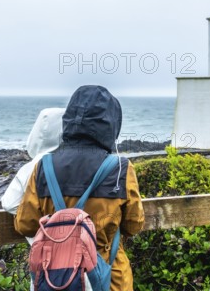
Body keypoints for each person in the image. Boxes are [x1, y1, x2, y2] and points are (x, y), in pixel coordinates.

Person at [14, 85, 145, 291]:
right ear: (112, 124)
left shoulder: (44, 167)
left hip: (57, 280)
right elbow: (134, 224)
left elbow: (25, 225)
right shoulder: (121, 169)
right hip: (110, 279)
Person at [1, 107, 66, 244]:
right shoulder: (76, 162)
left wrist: (41, 216)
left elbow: (9, 203)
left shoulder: (32, 166)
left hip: (46, 245)